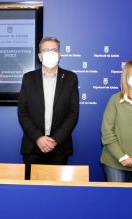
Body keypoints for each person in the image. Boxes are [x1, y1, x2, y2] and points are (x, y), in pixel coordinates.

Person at [18, 37, 80, 179]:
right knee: (31, 193)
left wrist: (55, 140)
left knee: (56, 194)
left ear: (60, 55)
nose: (50, 53)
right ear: (40, 56)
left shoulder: (70, 78)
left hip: (58, 148)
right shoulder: (28, 78)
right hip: (32, 147)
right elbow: (22, 111)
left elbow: (73, 113)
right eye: (46, 50)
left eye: (54, 50)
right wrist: (38, 137)